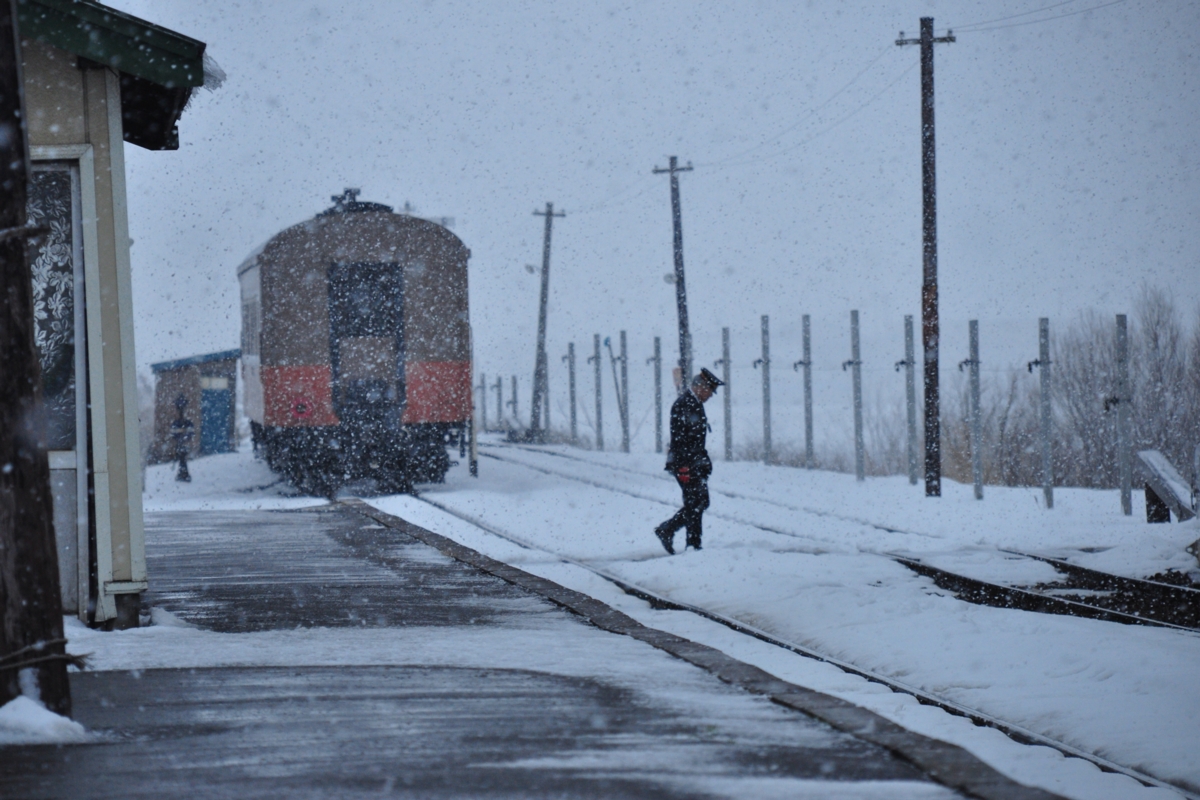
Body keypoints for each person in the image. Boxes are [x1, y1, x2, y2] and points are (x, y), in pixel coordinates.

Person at [655, 367, 723, 554]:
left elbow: (695, 440)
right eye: (710, 391)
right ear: (700, 387)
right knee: (695, 503)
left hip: (694, 462)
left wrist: (703, 461)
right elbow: (680, 439)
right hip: (686, 463)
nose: (711, 395)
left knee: (699, 502)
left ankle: (672, 532)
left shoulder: (693, 403)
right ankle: (690, 543)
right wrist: (684, 466)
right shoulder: (684, 404)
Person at [170, 395, 195, 483]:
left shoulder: (185, 423)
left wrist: (183, 438)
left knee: (182, 457)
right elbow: (174, 433)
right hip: (181, 442)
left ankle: (183, 473)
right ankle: (183, 473)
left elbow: (189, 433)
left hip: (182, 442)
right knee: (182, 457)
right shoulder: (177, 423)